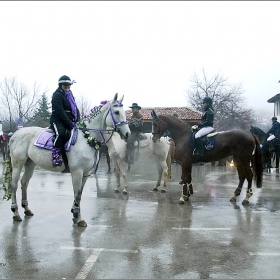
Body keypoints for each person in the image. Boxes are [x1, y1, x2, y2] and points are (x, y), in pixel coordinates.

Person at [49, 75, 80, 172]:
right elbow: (60, 111)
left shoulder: (70, 95)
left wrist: (78, 119)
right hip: (57, 120)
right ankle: (56, 156)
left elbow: (75, 108)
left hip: (69, 121)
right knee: (61, 134)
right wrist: (69, 123)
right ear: (60, 85)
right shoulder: (57, 95)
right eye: (65, 85)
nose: (67, 86)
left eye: (68, 85)